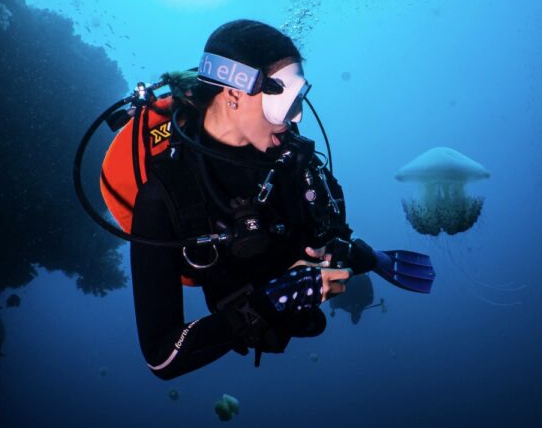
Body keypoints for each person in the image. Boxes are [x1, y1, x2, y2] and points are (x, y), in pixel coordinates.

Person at [130, 20, 378, 378]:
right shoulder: (163, 196)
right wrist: (275, 300)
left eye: (300, 100)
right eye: (286, 103)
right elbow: (162, 356)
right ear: (234, 94)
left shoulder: (289, 158)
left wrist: (344, 253)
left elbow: (327, 231)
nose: (296, 118)